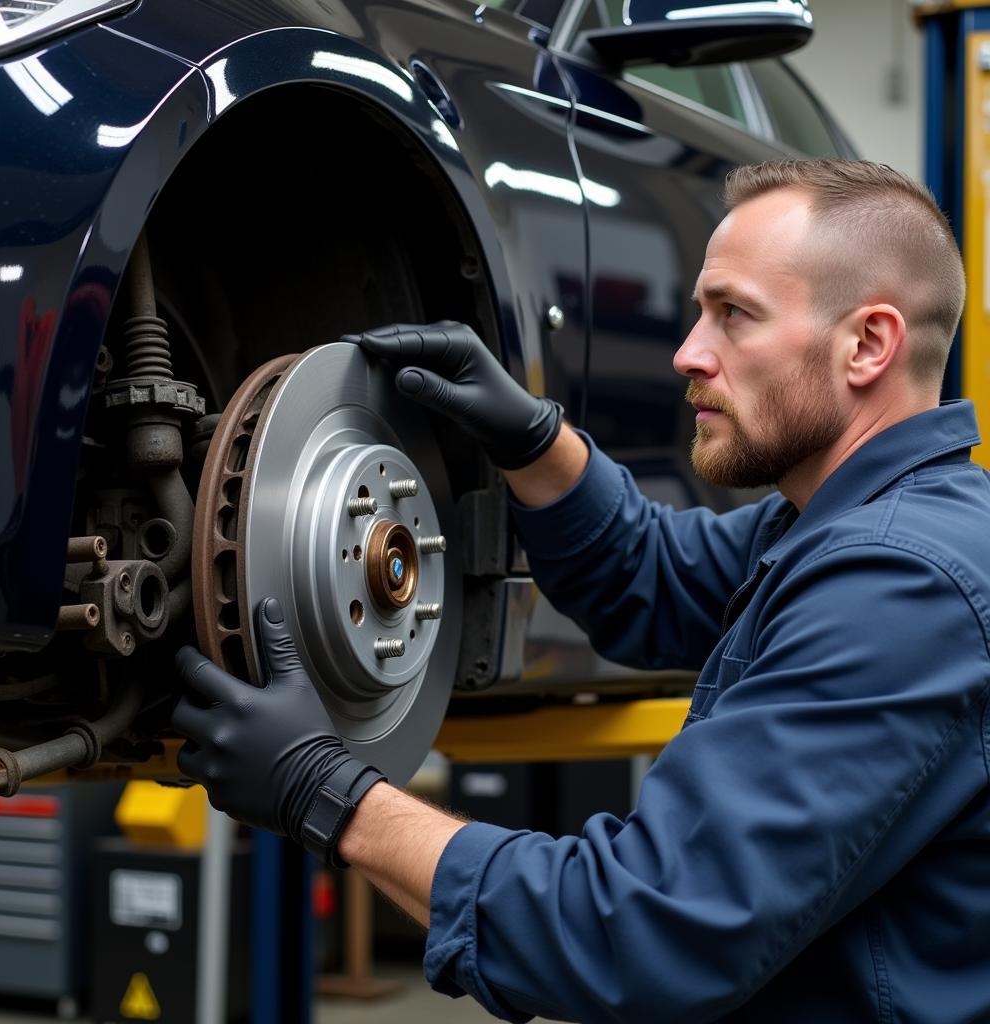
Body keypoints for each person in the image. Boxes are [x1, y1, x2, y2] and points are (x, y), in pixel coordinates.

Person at [172, 159, 990, 1023]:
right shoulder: (837, 523)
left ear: (868, 344)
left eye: (734, 315)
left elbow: (642, 929)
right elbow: (661, 579)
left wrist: (332, 794)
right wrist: (534, 442)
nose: (688, 353)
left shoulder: (898, 586)